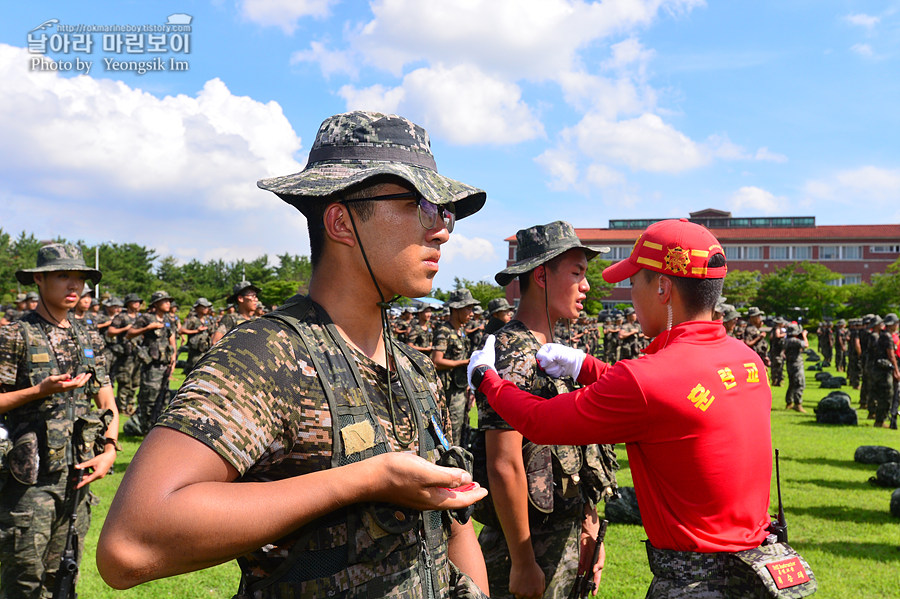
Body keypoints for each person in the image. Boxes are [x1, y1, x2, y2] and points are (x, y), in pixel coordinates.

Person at [97, 110, 490, 598]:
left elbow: (455, 526)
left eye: (444, 211)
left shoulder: (411, 368)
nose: (442, 230)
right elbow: (130, 545)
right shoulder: (267, 357)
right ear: (342, 221)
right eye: (417, 205)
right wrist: (365, 479)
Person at [469, 219, 811, 598]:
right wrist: (587, 368)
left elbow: (542, 421)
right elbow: (670, 396)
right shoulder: (746, 359)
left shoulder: (649, 378)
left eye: (634, 283)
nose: (629, 295)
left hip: (695, 580)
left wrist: (487, 379)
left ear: (663, 288)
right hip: (755, 570)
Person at [474, 221, 617, 599]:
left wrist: (589, 527)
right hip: (527, 544)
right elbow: (504, 463)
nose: (586, 286)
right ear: (541, 275)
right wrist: (522, 563)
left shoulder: (556, 350)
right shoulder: (510, 352)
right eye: (577, 273)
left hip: (568, 534)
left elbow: (577, 452)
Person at [0, 243, 119, 598]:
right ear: (39, 279)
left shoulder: (89, 336)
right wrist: (38, 391)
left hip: (78, 476)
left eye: (80, 278)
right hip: (28, 484)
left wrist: (110, 449)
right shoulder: (14, 335)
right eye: (63, 276)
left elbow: (107, 397)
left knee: (63, 577)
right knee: (23, 581)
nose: (74, 286)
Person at [122, 291, 176, 435]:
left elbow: (172, 338)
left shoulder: (169, 320)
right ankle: (146, 430)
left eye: (169, 301)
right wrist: (147, 328)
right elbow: (129, 334)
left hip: (165, 365)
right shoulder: (146, 318)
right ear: (156, 304)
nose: (168, 303)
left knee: (163, 398)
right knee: (149, 398)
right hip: (151, 366)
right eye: (164, 301)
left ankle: (158, 430)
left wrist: (174, 358)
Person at [432, 288, 479, 445]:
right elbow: (436, 361)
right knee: (451, 432)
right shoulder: (444, 330)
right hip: (449, 392)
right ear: (456, 309)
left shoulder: (461, 331)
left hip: (461, 388)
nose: (471, 313)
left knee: (463, 428)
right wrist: (464, 362)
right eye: (468, 308)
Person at [107, 293, 142, 415]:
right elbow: (110, 332)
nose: (138, 304)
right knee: (124, 381)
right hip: (125, 354)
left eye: (139, 302)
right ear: (128, 304)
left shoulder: (140, 317)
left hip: (138, 354)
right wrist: (125, 329)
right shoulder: (121, 317)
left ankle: (130, 405)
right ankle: (122, 407)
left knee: (136, 381)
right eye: (135, 301)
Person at [870, 315, 899, 428]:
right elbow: (891, 355)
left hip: (879, 369)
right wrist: (896, 370)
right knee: (887, 395)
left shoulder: (882, 335)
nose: (897, 326)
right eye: (896, 323)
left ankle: (879, 419)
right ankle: (880, 421)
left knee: (882, 394)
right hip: (884, 370)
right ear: (891, 324)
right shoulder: (887, 337)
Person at [211, 281, 260, 345]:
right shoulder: (231, 319)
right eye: (252, 296)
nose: (256, 299)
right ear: (240, 298)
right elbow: (215, 342)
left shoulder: (256, 319)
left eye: (256, 296)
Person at [180, 297, 215, 374]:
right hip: (194, 353)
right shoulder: (193, 319)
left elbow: (212, 333)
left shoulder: (208, 320)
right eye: (204, 307)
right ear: (197, 307)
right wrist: (196, 331)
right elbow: (181, 330)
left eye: (207, 307)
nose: (206, 308)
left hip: (206, 351)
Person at [783, 324, 808, 412]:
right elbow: (806, 345)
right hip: (797, 364)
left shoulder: (787, 340)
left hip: (790, 364)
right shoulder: (794, 341)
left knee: (792, 383)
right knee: (800, 383)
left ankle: (789, 402)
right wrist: (804, 336)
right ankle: (798, 403)